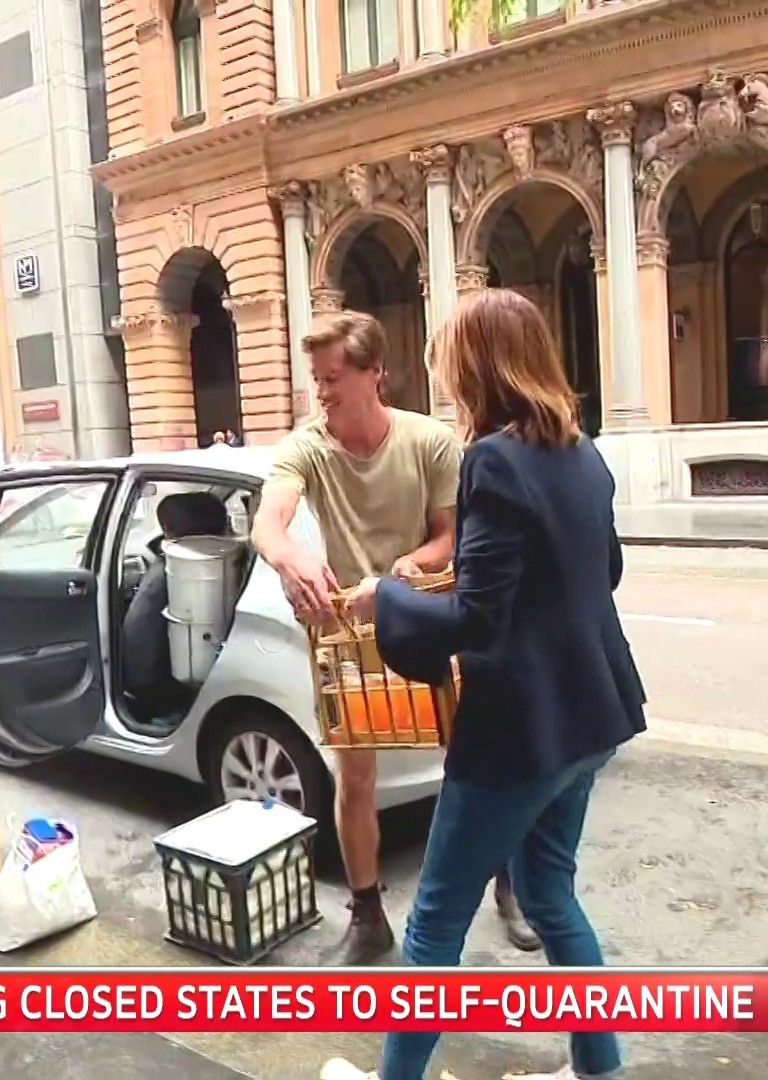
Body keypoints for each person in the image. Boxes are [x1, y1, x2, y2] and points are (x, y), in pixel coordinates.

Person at [325, 289, 647, 1080]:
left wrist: (386, 597)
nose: (444, 374)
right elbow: (604, 571)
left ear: (477, 367)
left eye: (449, 359)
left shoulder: (494, 459)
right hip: (591, 715)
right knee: (550, 894)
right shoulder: (582, 451)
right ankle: (600, 1069)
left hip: (520, 732)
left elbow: (477, 617)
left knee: (436, 918)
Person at [252, 310, 541, 964]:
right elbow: (269, 519)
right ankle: (367, 916)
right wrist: (287, 557)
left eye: (333, 377)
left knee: (480, 763)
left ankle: (511, 886)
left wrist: (407, 570)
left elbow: (452, 536)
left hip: (433, 621)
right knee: (353, 777)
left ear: (375, 373)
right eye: (316, 378)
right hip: (351, 634)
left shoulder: (430, 441)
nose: (321, 391)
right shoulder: (306, 446)